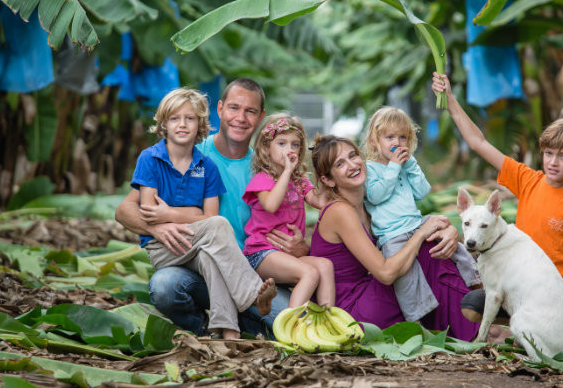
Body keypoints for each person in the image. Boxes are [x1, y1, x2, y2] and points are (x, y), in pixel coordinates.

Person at [432, 72, 563, 344]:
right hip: (520, 289)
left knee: (562, 335)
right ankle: (525, 331)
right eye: (549, 153)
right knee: (471, 305)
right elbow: (479, 143)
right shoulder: (528, 180)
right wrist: (450, 101)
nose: (553, 162)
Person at [115, 78, 308, 337]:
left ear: (260, 117)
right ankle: (205, 328)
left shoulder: (269, 167)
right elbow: (124, 211)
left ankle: (241, 319)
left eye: (250, 111)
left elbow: (291, 218)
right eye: (234, 108)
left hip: (255, 271)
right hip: (198, 272)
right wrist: (158, 229)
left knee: (291, 330)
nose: (240, 118)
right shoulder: (190, 153)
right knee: (165, 285)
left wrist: (302, 248)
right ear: (219, 109)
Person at [308, 134, 479, 340]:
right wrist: (421, 234)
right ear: (328, 179)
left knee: (428, 249)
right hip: (351, 312)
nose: (352, 165)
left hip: (368, 294)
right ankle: (472, 326)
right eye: (340, 164)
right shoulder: (340, 211)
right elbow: (385, 273)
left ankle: (472, 321)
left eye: (353, 156)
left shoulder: (368, 204)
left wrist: (446, 230)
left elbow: (406, 227)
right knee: (424, 250)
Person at [362, 106, 482, 322]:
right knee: (407, 277)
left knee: (448, 231)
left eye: (402, 137)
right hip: (393, 235)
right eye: (389, 137)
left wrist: (410, 165)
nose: (397, 142)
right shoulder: (371, 169)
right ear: (374, 141)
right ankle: (418, 319)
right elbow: (375, 196)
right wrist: (394, 168)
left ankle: (475, 279)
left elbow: (423, 191)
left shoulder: (406, 166)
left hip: (416, 223)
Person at [242, 113, 334, 308]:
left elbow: (320, 201)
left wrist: (324, 174)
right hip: (261, 254)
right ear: (266, 148)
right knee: (310, 273)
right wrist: (286, 172)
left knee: (325, 266)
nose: (289, 150)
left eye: (295, 145)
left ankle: (328, 324)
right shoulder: (262, 179)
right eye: (281, 144)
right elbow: (271, 205)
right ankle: (291, 329)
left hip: (289, 255)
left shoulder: (299, 180)